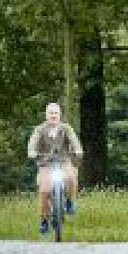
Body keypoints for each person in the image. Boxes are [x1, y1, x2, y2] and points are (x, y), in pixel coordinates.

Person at [27, 101, 85, 236]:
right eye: (51, 113)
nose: (53, 115)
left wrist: (78, 149)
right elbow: (32, 142)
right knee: (44, 190)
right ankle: (44, 220)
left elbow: (74, 139)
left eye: (56, 113)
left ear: (60, 115)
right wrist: (31, 152)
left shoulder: (66, 128)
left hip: (63, 161)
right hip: (45, 163)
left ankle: (70, 201)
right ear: (46, 115)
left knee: (71, 177)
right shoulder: (39, 129)